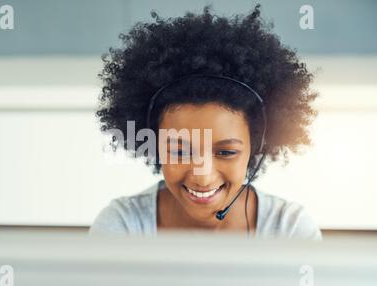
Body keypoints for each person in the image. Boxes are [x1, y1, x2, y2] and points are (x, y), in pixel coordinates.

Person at [89, 5, 321, 240]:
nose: (203, 176)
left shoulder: (291, 231)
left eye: (226, 151)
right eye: (179, 151)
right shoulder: (121, 228)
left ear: (256, 146)